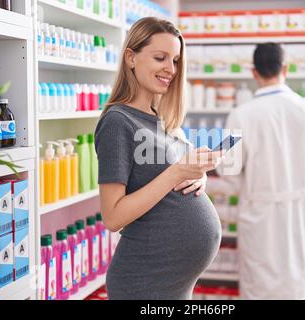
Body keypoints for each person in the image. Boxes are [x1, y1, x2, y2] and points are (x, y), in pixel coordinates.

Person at [95, 17, 224, 300]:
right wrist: (177, 173)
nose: (171, 69)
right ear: (131, 57)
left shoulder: (157, 119)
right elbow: (113, 216)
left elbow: (167, 178)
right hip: (144, 282)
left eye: (176, 60)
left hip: (173, 285)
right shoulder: (118, 122)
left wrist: (196, 174)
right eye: (160, 57)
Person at [216, 43, 305, 299]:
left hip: (259, 216)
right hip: (297, 213)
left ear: (254, 72)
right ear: (285, 69)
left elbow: (228, 170)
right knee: (294, 285)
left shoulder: (240, 115)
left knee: (259, 288)